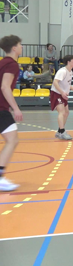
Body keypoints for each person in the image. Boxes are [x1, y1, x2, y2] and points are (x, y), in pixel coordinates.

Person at [0, 35, 23, 191]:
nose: (22, 47)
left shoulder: (2, 62)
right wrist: (15, 108)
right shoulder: (12, 64)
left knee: (12, 139)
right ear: (14, 48)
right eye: (20, 45)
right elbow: (5, 87)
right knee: (12, 140)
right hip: (1, 108)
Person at [51, 55, 73, 140]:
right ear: (69, 62)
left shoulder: (70, 72)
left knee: (66, 112)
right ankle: (62, 132)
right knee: (61, 112)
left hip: (63, 94)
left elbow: (68, 84)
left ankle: (59, 132)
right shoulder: (62, 71)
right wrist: (62, 92)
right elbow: (55, 82)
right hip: (57, 93)